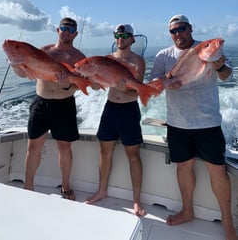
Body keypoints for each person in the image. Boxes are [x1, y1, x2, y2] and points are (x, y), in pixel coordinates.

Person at [150, 14, 238, 239]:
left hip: (208, 122)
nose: (177, 34)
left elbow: (227, 76)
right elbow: (155, 83)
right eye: (173, 31)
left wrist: (218, 64)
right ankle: (187, 210)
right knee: (183, 167)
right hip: (178, 123)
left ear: (190, 28)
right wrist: (167, 82)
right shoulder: (163, 56)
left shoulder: (208, 49)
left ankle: (228, 220)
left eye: (181, 28)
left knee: (217, 169)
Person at [11, 17, 86, 200]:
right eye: (64, 28)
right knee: (33, 146)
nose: (67, 32)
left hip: (64, 105)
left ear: (76, 33)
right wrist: (14, 62)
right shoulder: (43, 51)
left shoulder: (80, 58)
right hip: (41, 103)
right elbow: (23, 73)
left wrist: (68, 86)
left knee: (65, 147)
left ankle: (66, 187)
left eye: (70, 29)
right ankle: (28, 186)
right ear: (57, 30)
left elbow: (83, 83)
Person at [86, 24, 146, 216]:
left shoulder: (138, 61)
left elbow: (137, 88)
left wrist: (123, 87)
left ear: (132, 39)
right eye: (118, 35)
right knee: (104, 153)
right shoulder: (106, 60)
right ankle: (102, 191)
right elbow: (97, 87)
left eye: (126, 35)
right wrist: (94, 83)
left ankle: (137, 201)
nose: (121, 38)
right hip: (110, 109)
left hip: (129, 110)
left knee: (134, 156)